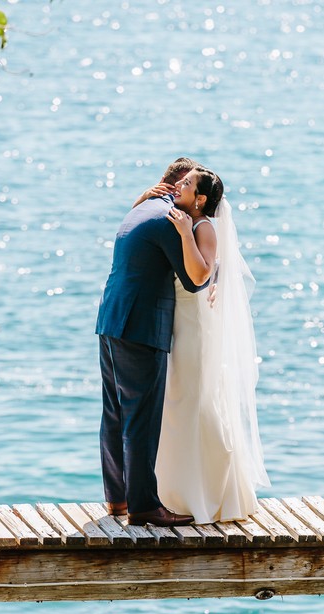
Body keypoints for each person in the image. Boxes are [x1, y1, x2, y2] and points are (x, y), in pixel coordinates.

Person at [150, 167, 270, 524]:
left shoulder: (202, 227)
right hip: (180, 324)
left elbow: (200, 275)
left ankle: (208, 494)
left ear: (200, 200)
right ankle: (178, 492)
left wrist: (185, 234)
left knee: (193, 402)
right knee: (179, 404)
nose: (179, 186)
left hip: (195, 326)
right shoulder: (190, 221)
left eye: (187, 184)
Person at [95, 158, 211, 527]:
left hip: (111, 318)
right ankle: (144, 505)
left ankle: (117, 500)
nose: (183, 191)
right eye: (185, 184)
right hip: (141, 325)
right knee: (141, 419)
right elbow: (194, 281)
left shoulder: (143, 207)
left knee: (114, 413)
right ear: (175, 184)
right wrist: (187, 235)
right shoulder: (167, 220)